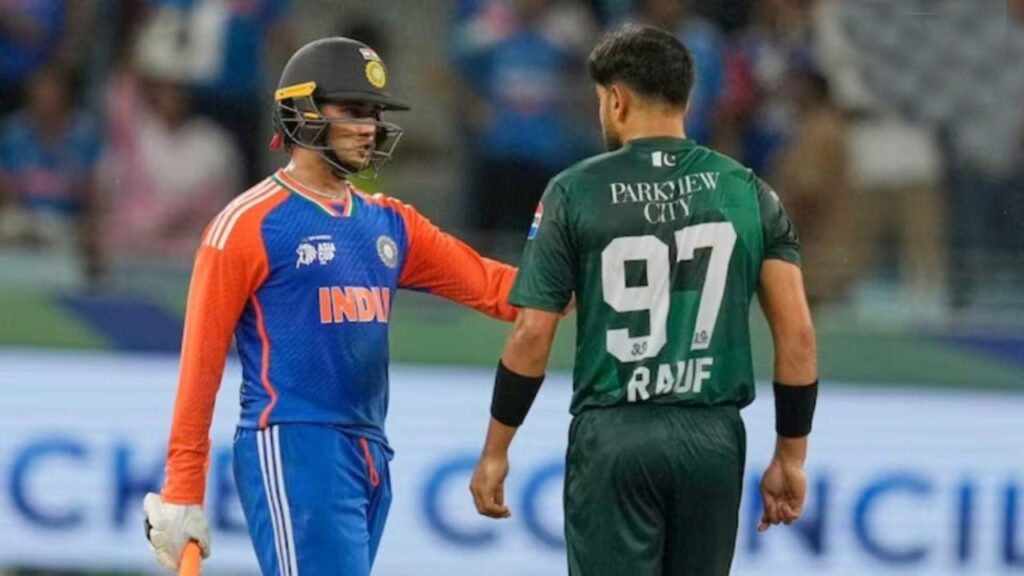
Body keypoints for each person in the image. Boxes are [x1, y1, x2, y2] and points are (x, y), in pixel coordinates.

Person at [142, 37, 519, 576]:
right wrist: (184, 485)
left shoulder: (392, 223)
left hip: (370, 450)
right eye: (354, 110)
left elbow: (498, 289)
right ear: (304, 111)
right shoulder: (247, 224)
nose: (369, 127)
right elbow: (200, 364)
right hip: (295, 442)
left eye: (374, 113)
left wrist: (590, 273)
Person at [469, 24, 819, 575]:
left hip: (615, 433)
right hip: (713, 437)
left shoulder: (573, 191)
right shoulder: (750, 191)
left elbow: (533, 333)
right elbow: (797, 337)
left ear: (616, 99)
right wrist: (790, 456)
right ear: (685, 98)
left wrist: (496, 450)